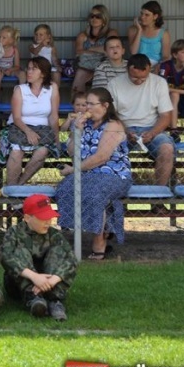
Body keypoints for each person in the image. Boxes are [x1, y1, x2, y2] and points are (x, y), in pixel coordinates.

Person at [56, 88, 132, 260]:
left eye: (91, 104)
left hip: (113, 174)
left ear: (105, 106)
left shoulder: (114, 125)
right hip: (86, 173)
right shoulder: (85, 124)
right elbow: (70, 152)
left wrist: (73, 170)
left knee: (94, 193)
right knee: (64, 189)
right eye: (86, 103)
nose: (86, 108)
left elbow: (101, 157)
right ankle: (83, 237)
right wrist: (77, 131)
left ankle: (99, 245)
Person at [1, 194, 78, 321]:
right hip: (18, 286)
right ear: (27, 218)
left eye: (49, 217)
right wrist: (34, 277)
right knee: (20, 251)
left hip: (49, 283)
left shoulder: (53, 234)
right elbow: (6, 258)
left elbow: (71, 260)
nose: (48, 222)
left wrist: (52, 280)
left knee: (58, 251)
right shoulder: (14, 233)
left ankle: (55, 300)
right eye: (43, 218)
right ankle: (33, 298)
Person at [107, 54, 174, 187]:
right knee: (109, 149)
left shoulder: (159, 83)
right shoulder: (114, 84)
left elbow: (166, 116)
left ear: (149, 70)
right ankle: (115, 192)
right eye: (135, 77)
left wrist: (152, 133)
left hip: (151, 128)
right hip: (123, 128)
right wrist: (125, 131)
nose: (139, 81)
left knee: (167, 149)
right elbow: (111, 115)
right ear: (127, 69)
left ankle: (160, 195)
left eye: (144, 77)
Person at [3, 57, 60, 186]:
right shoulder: (20, 89)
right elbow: (17, 118)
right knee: (16, 152)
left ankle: (18, 187)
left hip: (42, 129)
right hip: (19, 127)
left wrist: (56, 138)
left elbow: (53, 116)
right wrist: (28, 132)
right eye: (28, 68)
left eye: (34, 69)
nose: (29, 72)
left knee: (42, 151)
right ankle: (12, 187)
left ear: (43, 73)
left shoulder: (52, 88)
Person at [73, 5, 118, 93]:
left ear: (104, 19)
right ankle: (78, 102)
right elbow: (78, 52)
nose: (94, 18)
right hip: (86, 65)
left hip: (105, 64)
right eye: (92, 16)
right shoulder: (82, 35)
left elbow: (111, 49)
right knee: (80, 73)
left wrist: (90, 49)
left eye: (98, 16)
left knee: (100, 71)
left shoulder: (111, 33)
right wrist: (100, 50)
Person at [128, 0, 171, 68]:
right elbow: (133, 52)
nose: (142, 17)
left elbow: (165, 56)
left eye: (147, 15)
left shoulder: (163, 33)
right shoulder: (133, 30)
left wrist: (158, 66)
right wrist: (139, 30)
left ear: (155, 16)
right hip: (138, 66)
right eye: (141, 14)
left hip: (156, 67)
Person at [0, 25, 23, 106]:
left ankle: (23, 98)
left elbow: (17, 66)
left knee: (22, 74)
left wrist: (10, 70)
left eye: (4, 38)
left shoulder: (14, 50)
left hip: (9, 70)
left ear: (11, 40)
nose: (0, 39)